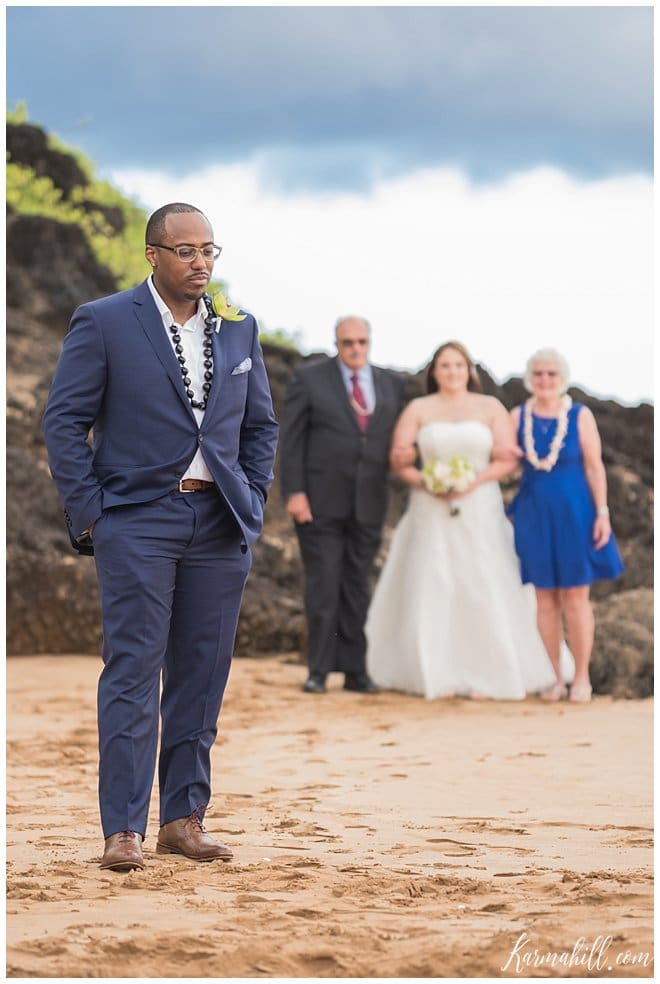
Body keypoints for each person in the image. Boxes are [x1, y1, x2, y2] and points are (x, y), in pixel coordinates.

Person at [42, 203, 278, 871]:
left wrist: (251, 496)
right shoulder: (105, 320)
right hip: (137, 520)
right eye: (184, 250)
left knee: (201, 677)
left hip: (219, 524)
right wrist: (94, 515)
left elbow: (260, 428)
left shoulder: (238, 332)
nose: (200, 262)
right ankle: (123, 829)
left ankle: (183, 819)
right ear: (153, 255)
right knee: (133, 674)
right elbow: (64, 423)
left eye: (209, 250)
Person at [366, 341, 557, 700]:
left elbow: (506, 458)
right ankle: (437, 672)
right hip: (429, 506)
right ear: (434, 372)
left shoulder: (490, 407)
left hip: (479, 504)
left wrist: (472, 481)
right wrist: (429, 481)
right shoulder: (419, 409)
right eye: (444, 366)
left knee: (481, 582)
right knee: (432, 581)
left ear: (469, 370)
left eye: (458, 365)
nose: (452, 372)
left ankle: (486, 672)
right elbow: (400, 458)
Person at [279, 316, 406, 694]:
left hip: (369, 502)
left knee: (357, 588)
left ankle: (355, 671)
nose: (355, 349)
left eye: (361, 342)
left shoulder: (389, 383)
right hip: (319, 502)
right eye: (347, 342)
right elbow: (292, 441)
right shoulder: (310, 378)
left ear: (370, 342)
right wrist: (295, 493)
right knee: (323, 587)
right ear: (337, 343)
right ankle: (318, 670)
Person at [508, 348, 624, 703]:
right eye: (539, 373)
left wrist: (602, 512)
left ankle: (582, 677)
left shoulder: (579, 415)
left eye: (552, 374)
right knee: (544, 598)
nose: (545, 380)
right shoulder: (518, 416)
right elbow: (507, 462)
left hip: (576, 512)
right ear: (530, 377)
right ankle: (555, 677)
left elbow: (594, 467)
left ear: (563, 377)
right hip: (534, 513)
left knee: (576, 597)